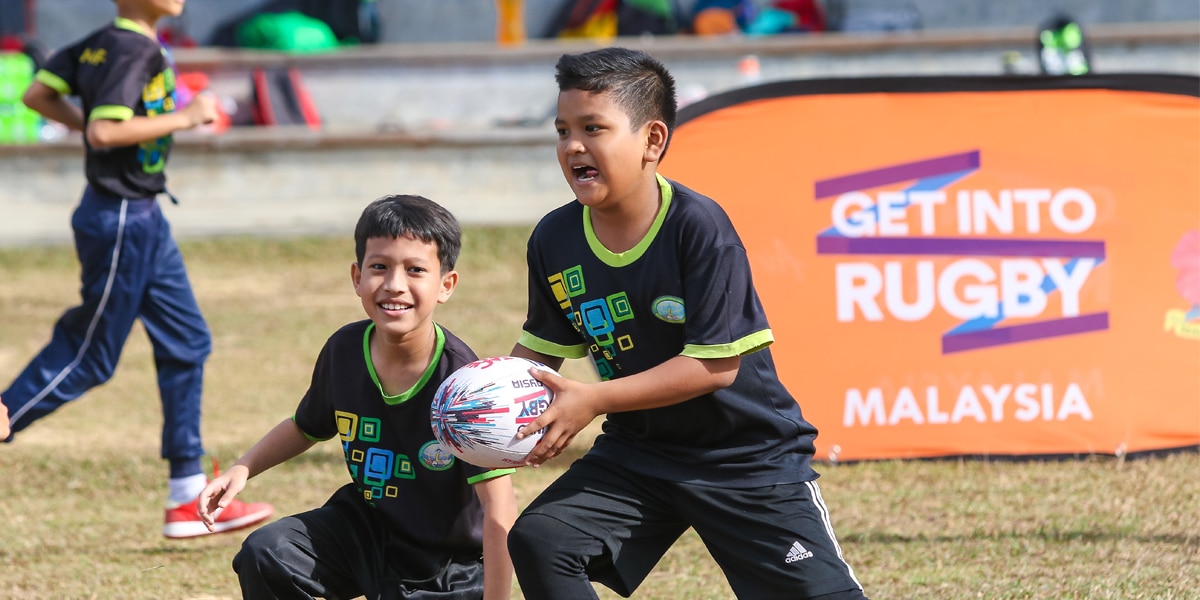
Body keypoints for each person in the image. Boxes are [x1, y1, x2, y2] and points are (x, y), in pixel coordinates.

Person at [503, 47, 869, 599]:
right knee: (543, 539)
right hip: (639, 453)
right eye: (562, 130)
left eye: (593, 128)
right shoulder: (554, 238)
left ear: (653, 141)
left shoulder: (699, 227)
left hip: (745, 459)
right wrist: (479, 405)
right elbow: (539, 353)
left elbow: (714, 366)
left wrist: (593, 400)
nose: (573, 146)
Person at [2, 0, 274, 538]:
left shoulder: (100, 41)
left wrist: (86, 124)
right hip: (122, 215)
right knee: (90, 355)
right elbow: (105, 133)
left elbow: (39, 94)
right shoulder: (136, 49)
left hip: (142, 214)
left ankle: (184, 496)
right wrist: (186, 118)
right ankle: (5, 412)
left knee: (186, 339)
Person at [198, 195, 519, 600]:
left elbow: (500, 508)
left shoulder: (463, 383)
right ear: (357, 277)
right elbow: (306, 427)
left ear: (446, 285)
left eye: (415, 270)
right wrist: (242, 469)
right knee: (267, 553)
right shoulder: (345, 349)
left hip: (443, 561)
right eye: (379, 267)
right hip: (366, 529)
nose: (394, 285)